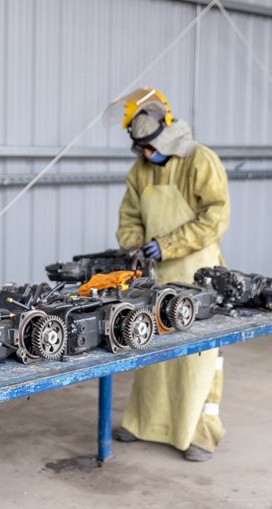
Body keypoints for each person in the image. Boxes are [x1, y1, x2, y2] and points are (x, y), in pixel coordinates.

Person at [111, 88, 230, 462]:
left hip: (197, 274)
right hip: (156, 276)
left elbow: (215, 216)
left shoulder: (200, 160)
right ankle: (143, 423)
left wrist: (169, 244)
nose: (145, 154)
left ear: (165, 133)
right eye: (140, 147)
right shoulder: (140, 170)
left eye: (149, 146)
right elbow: (130, 217)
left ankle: (200, 433)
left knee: (196, 359)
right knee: (151, 349)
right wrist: (135, 247)